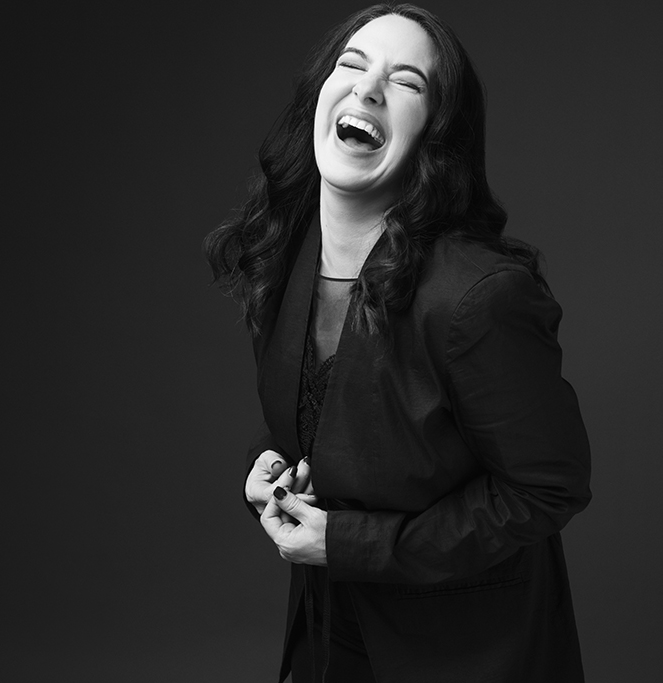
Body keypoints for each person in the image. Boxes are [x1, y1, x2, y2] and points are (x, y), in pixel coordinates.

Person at [205, 4, 591, 682]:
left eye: (406, 81)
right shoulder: (284, 258)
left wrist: (350, 543)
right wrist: (268, 466)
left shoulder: (480, 296)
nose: (368, 88)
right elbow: (343, 420)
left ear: (437, 134)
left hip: (469, 657)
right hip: (328, 639)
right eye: (351, 65)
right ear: (320, 95)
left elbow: (546, 489)